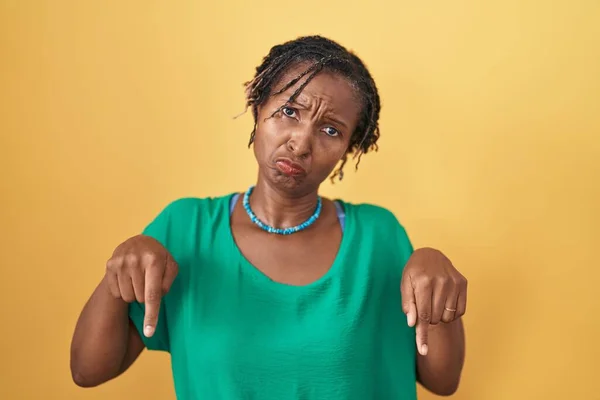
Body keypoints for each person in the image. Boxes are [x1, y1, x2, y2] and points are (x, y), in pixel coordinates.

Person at [70, 35, 467, 399]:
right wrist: (117, 272)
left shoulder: (379, 237)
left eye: (331, 130)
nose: (300, 142)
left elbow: (442, 380)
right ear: (257, 105)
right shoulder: (184, 229)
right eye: (289, 111)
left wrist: (436, 269)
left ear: (349, 148)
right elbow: (88, 371)